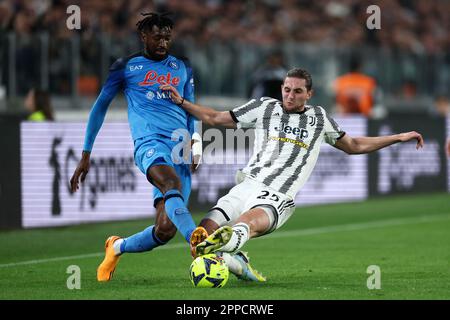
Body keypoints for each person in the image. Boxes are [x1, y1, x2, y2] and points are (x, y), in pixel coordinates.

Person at [160, 68, 424, 273]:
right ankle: (237, 264)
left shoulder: (319, 119)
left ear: (309, 93)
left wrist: (397, 137)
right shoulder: (264, 107)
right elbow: (215, 118)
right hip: (246, 186)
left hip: (277, 195)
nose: (289, 95)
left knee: (243, 226)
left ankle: (232, 250)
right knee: (201, 237)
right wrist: (182, 101)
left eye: (297, 91)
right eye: (286, 89)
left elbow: (353, 145)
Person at [70, 12, 262, 283]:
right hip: (149, 144)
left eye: (167, 37)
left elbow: (191, 107)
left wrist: (195, 144)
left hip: (180, 149)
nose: (162, 42)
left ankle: (116, 247)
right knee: (169, 184)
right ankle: (197, 243)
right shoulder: (126, 66)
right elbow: (99, 107)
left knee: (164, 230)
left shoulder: (182, 66)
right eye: (157, 36)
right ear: (143, 36)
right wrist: (86, 154)